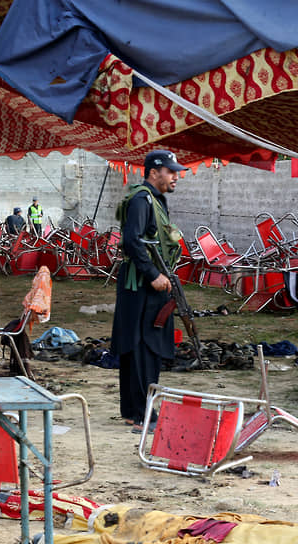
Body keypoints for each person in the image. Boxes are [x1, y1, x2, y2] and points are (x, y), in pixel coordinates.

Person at [111, 150, 187, 434]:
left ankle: (134, 412)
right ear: (154, 173)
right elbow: (132, 241)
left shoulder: (153, 199)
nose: (175, 176)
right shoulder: (143, 200)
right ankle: (144, 414)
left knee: (139, 347)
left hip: (144, 284)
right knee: (143, 347)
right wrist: (153, 274)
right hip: (142, 284)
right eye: (170, 171)